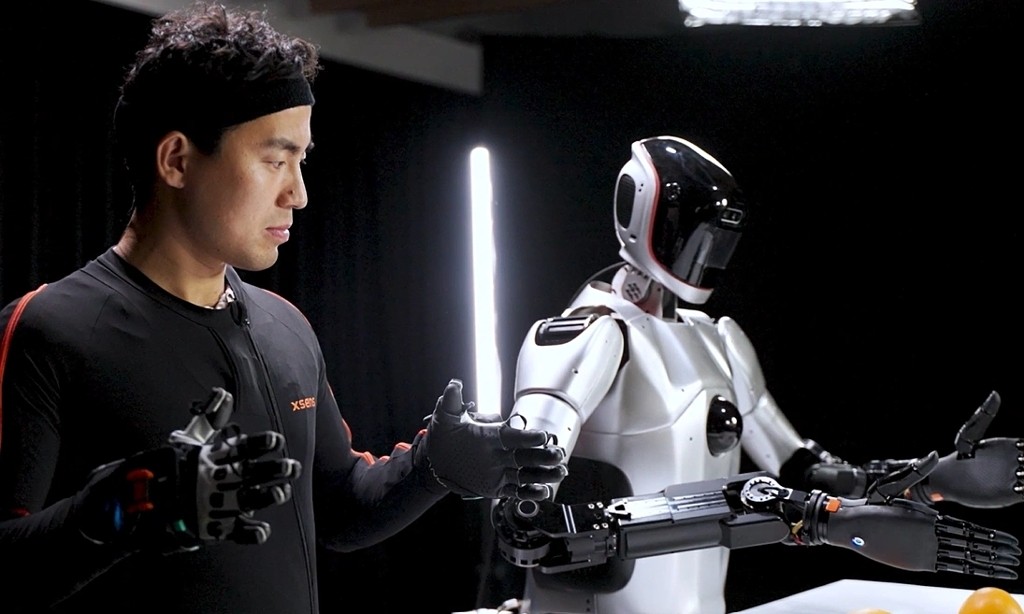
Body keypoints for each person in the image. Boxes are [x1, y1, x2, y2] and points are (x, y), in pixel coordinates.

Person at [0, 3, 566, 613]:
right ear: (178, 161)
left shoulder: (284, 326)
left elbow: (340, 508)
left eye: (301, 161)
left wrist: (433, 467)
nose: (298, 193)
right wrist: (115, 513)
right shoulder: (50, 329)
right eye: (275, 159)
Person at [480, 135, 1024, 614]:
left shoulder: (717, 340)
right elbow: (525, 521)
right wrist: (794, 515)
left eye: (716, 242)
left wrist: (926, 481)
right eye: (695, 237)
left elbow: (801, 468)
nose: (704, 257)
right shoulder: (586, 337)